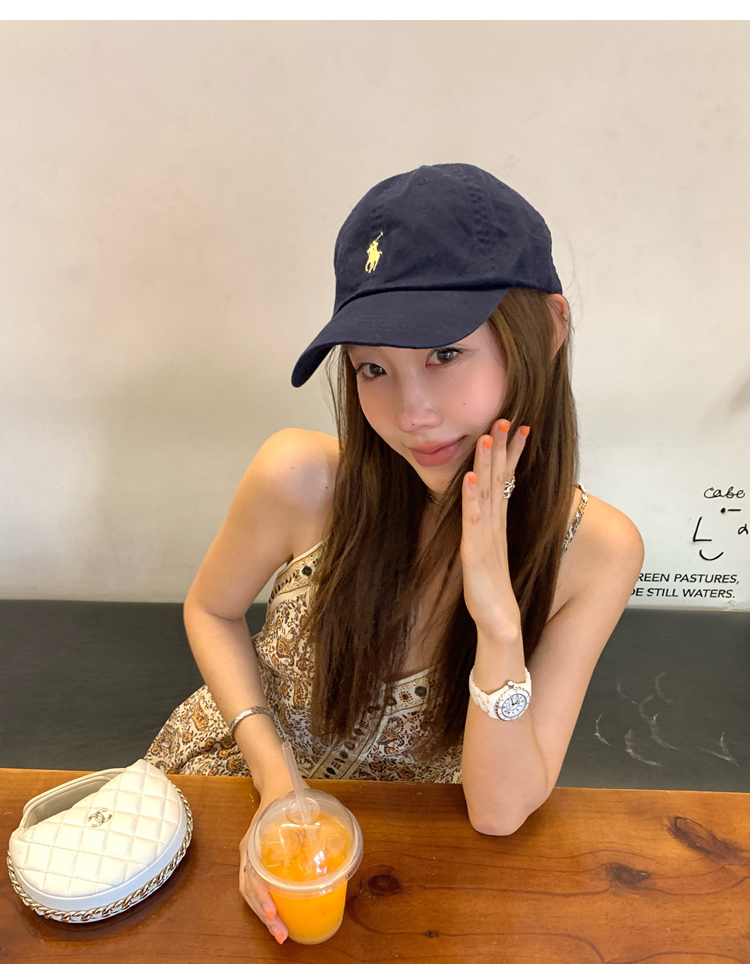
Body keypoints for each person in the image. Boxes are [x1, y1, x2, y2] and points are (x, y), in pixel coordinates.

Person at [143, 162, 644, 944]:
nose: (411, 414)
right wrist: (277, 789)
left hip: (409, 850)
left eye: (445, 354)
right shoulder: (300, 477)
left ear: (546, 331)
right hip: (226, 789)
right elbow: (209, 610)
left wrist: (498, 623)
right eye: (373, 368)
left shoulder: (598, 552)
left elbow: (501, 811)